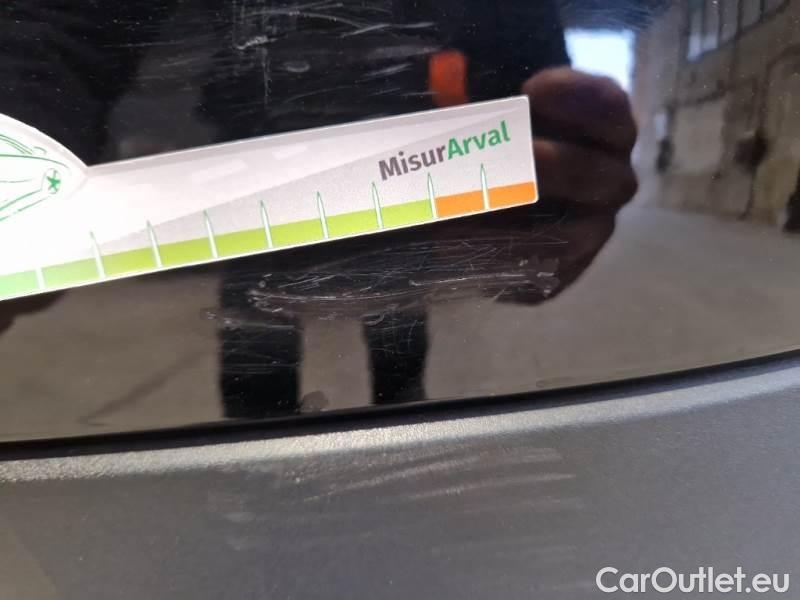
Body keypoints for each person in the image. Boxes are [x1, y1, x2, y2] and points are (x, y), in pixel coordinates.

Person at [0, 1, 637, 416]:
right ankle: (258, 445)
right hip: (249, 183)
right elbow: (59, 31)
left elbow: (521, 60)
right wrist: (24, 134)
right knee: (259, 340)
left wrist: (539, 156)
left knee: (391, 327)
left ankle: (396, 418)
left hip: (400, 176)